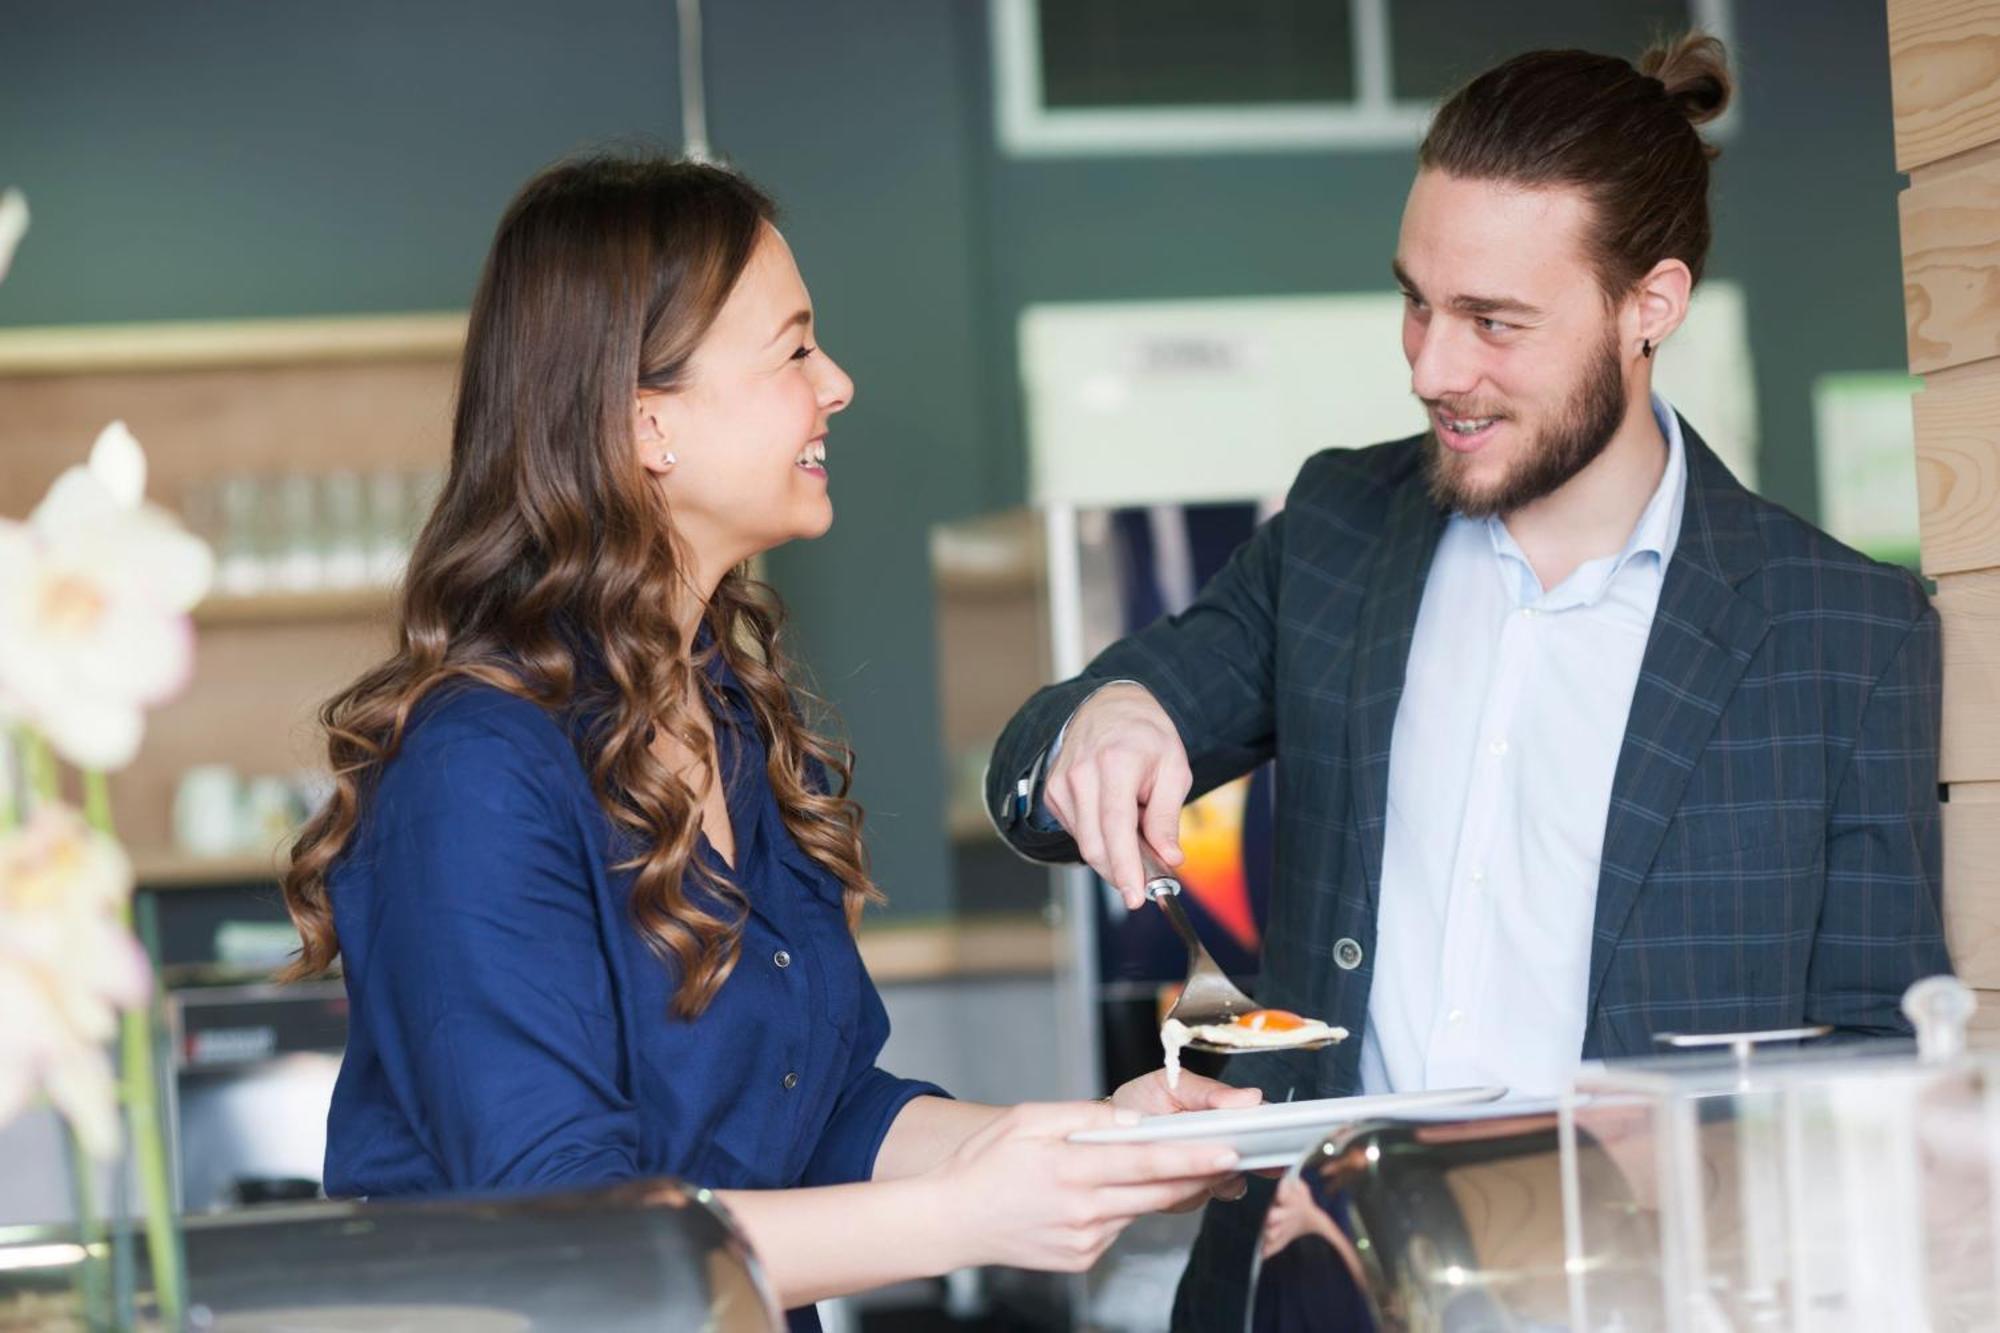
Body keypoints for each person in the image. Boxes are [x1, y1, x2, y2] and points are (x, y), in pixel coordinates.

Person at [983, 33, 1951, 1330]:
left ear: (1648, 306)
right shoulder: (1340, 527)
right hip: (1310, 1287)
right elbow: (1041, 770)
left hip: (1641, 1302)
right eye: (1417, 302)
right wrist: (1107, 718)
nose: (1434, 366)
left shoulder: (1845, 627)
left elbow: (1880, 1070)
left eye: (1495, 322)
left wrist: (1671, 1148)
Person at [278, 154, 1254, 1331]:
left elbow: (831, 1113)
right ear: (647, 425)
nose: (835, 383)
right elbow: (573, 1233)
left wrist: (1075, 1142)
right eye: (793, 349)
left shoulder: (722, 713)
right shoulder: (474, 768)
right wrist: (967, 1216)